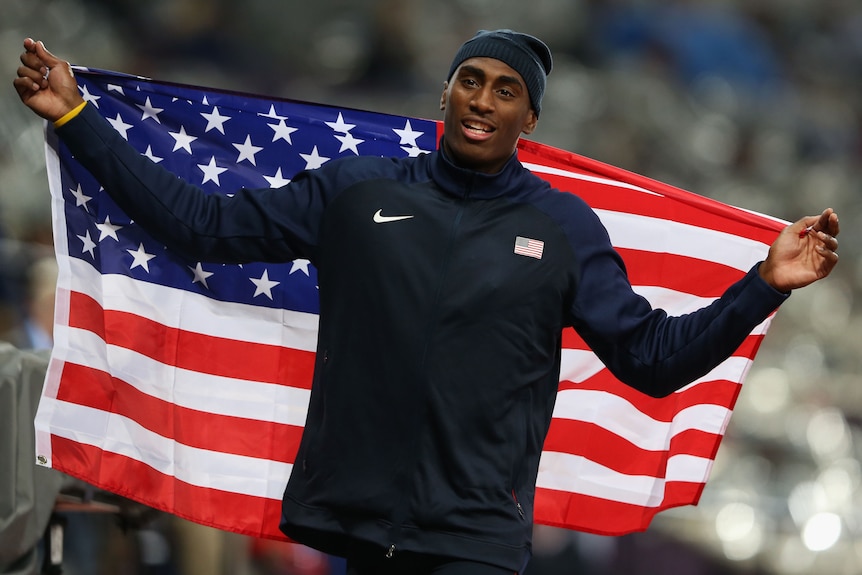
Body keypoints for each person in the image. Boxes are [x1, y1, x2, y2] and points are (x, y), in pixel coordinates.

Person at [14, 30, 839, 575]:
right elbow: (198, 226)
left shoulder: (561, 226)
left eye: (505, 89)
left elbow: (653, 361)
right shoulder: (359, 187)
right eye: (469, 81)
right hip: (350, 523)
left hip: (474, 538)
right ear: (444, 95)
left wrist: (762, 285)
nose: (482, 98)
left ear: (530, 117)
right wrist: (79, 118)